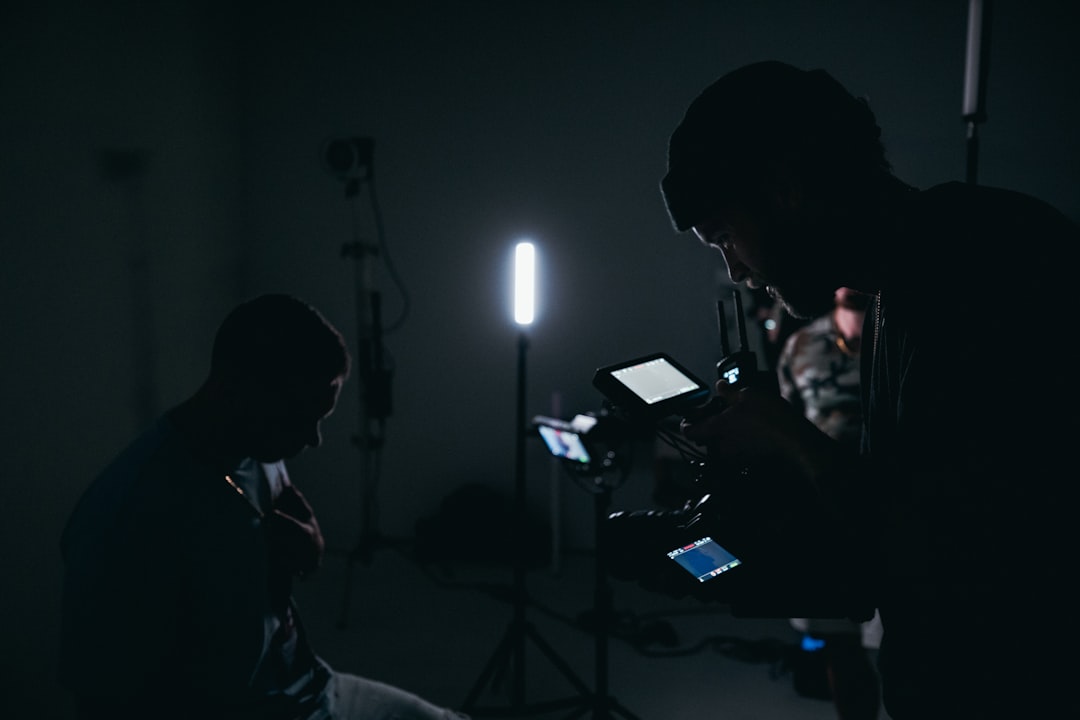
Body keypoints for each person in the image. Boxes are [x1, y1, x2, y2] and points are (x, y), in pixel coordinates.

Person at [653, 61, 1079, 718]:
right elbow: (894, 523)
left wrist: (787, 436)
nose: (735, 269)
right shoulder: (897, 288)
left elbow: (958, 557)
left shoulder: (985, 268)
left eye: (726, 238)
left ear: (785, 189)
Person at [59, 294, 469, 720]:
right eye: (299, 417)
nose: (312, 440)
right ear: (237, 387)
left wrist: (310, 552)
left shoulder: (260, 445)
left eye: (320, 418)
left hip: (309, 688)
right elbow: (102, 698)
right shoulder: (128, 515)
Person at [777, 287, 881, 720]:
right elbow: (787, 422)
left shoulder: (901, 335)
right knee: (837, 641)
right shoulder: (802, 345)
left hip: (892, 511)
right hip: (824, 512)